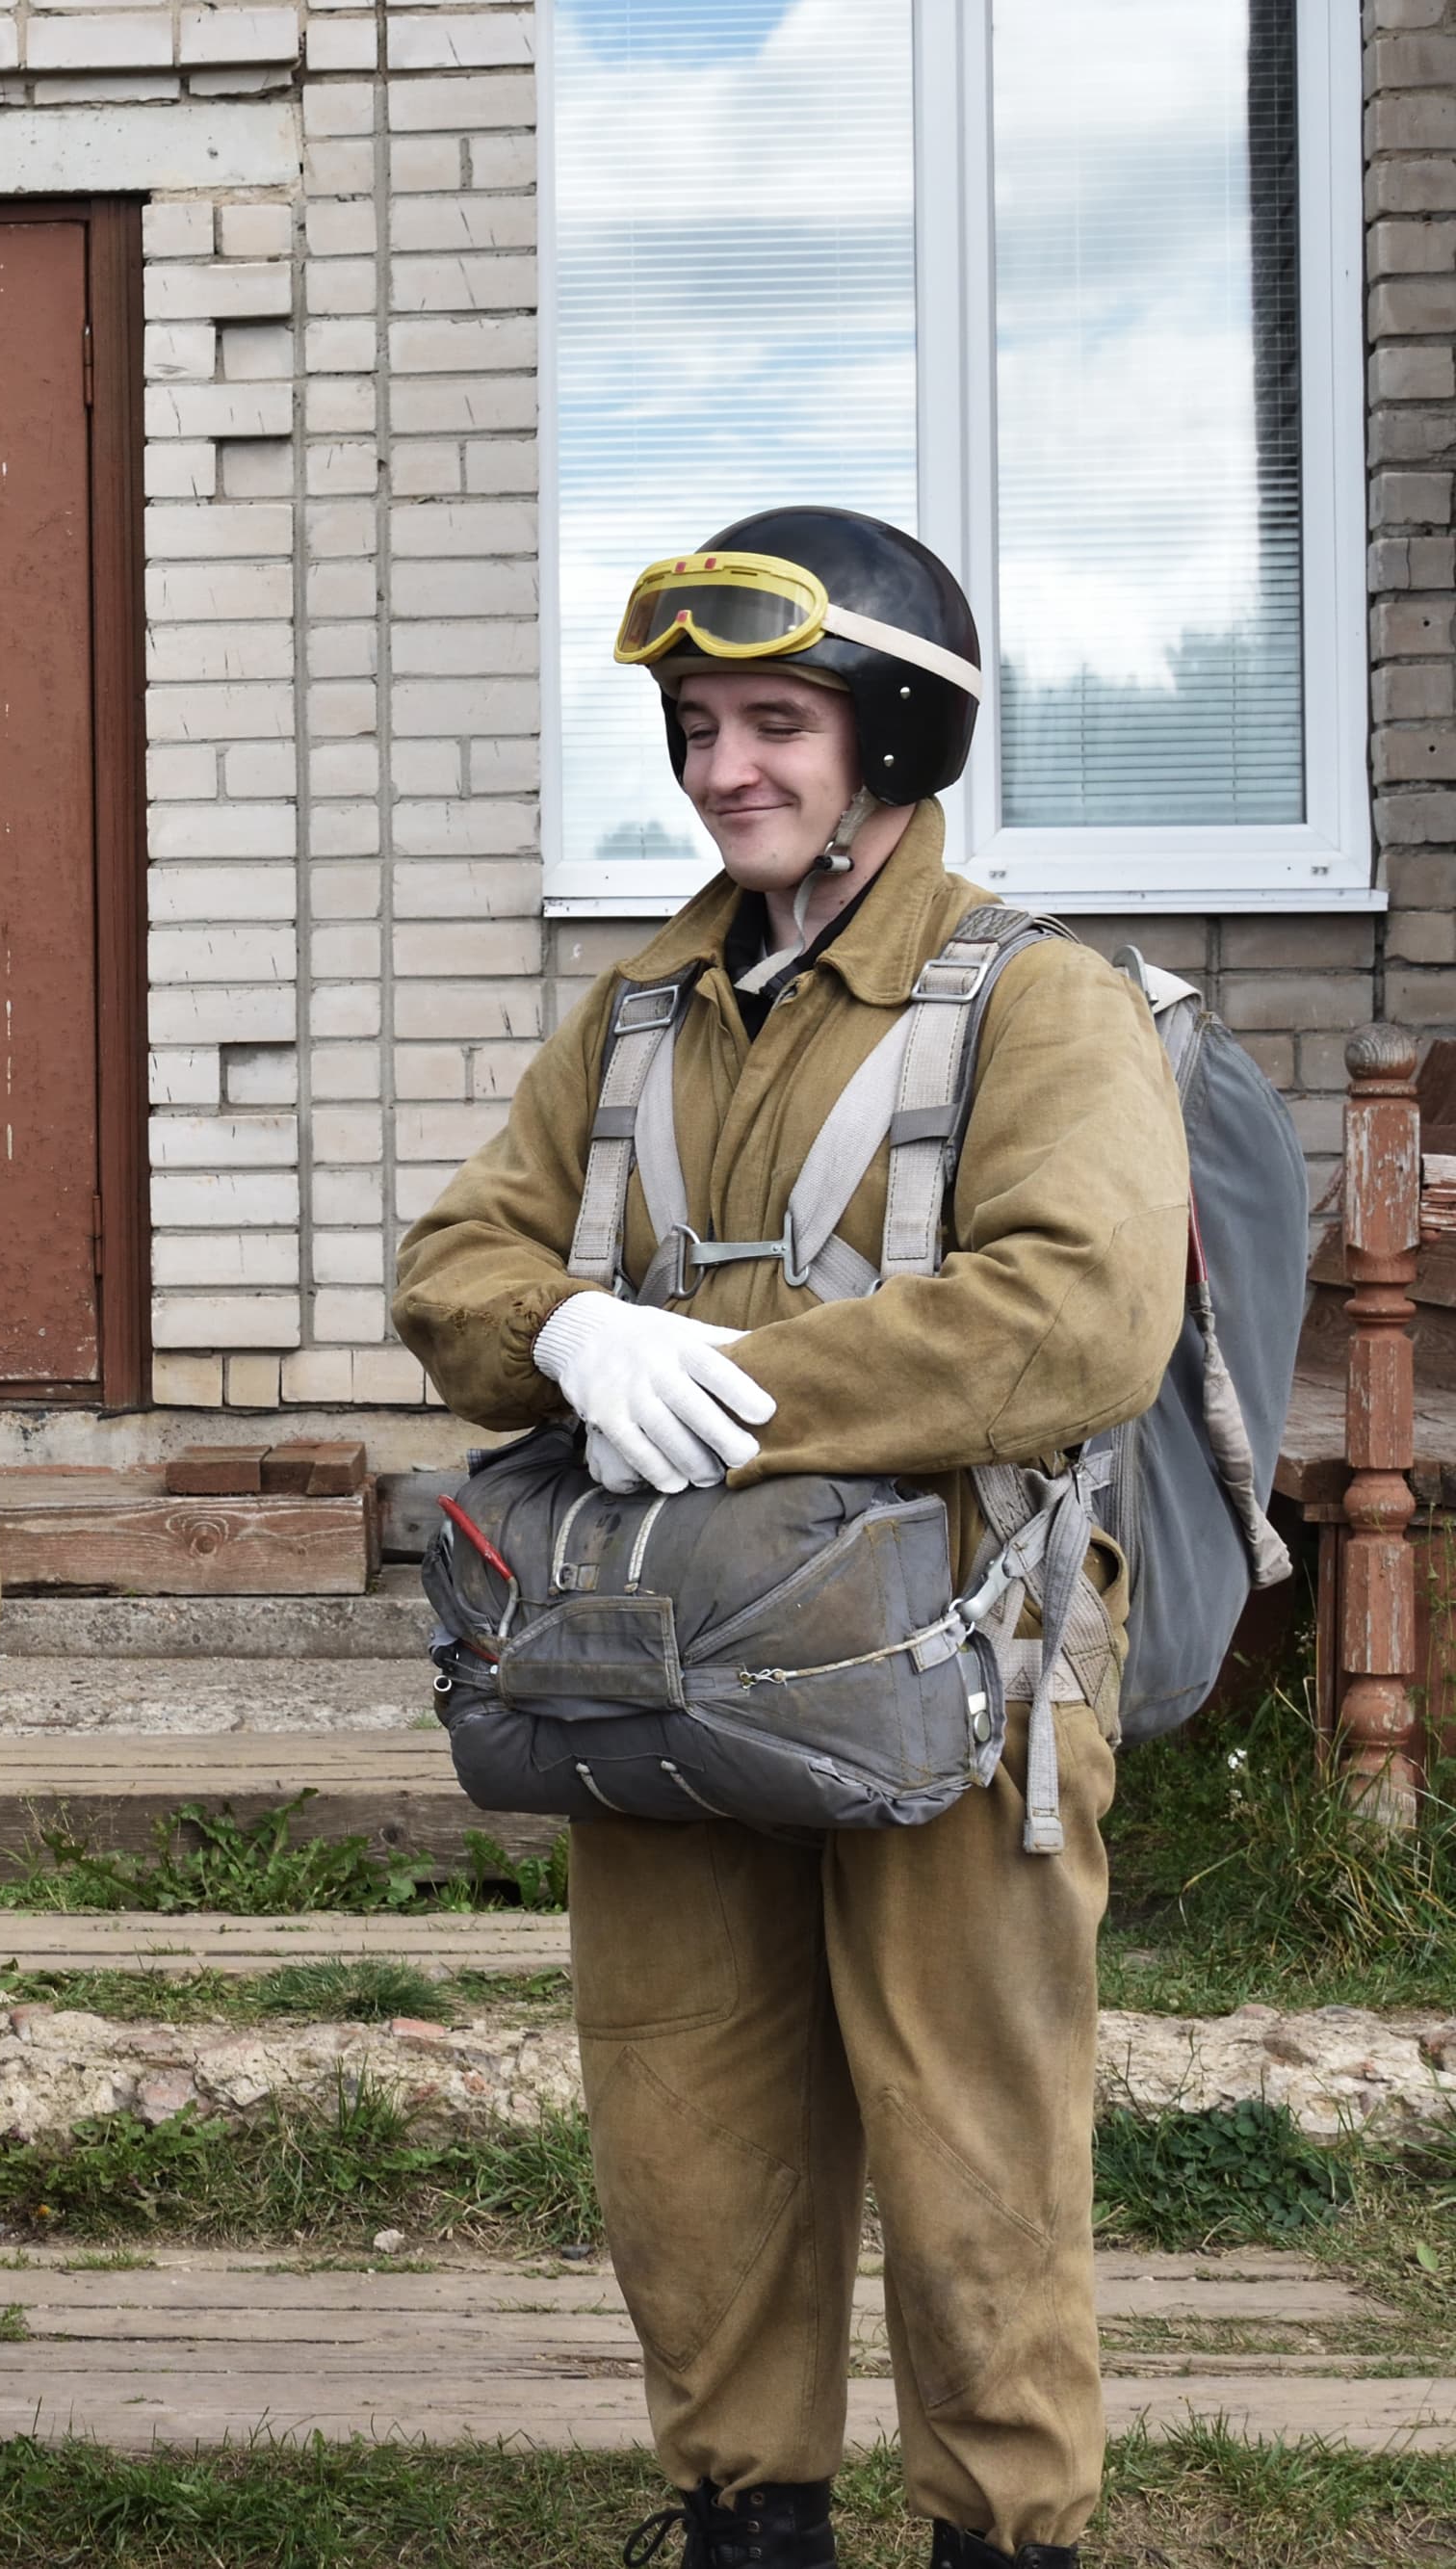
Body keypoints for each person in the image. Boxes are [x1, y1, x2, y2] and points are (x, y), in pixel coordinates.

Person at [392, 509, 1191, 2569]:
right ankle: (745, 2514)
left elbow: (1080, 1308)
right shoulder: (638, 1008)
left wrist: (727, 1390)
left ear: (889, 739)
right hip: (664, 1662)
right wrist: (557, 1322)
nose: (723, 766)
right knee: (684, 2116)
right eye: (692, 724)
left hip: (963, 1666)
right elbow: (451, 1256)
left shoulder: (1035, 1002)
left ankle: (999, 2534)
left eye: (773, 721)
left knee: (968, 2132)